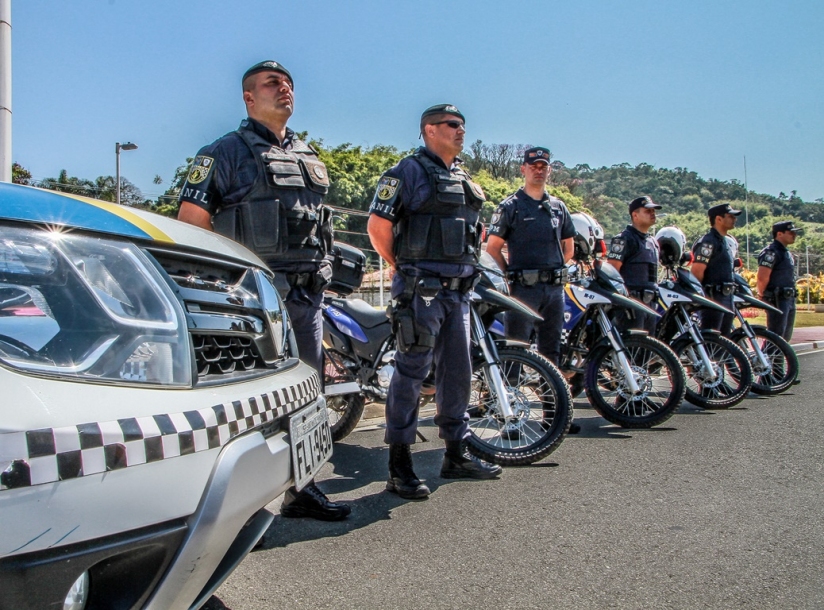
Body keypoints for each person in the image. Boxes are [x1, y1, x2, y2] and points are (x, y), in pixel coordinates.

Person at [177, 61, 350, 522]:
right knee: (251, 401)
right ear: (249, 98)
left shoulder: (306, 154)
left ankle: (301, 489)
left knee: (307, 394)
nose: (284, 88)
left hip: (307, 296)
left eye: (288, 82)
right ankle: (235, 505)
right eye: (272, 83)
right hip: (256, 299)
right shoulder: (224, 152)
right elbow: (192, 223)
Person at [367, 103, 502, 500]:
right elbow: (377, 227)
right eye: (453, 125)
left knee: (457, 374)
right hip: (420, 291)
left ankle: (456, 454)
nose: (462, 131)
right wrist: (402, 266)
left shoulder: (463, 176)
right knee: (411, 373)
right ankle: (399, 463)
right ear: (429, 129)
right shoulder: (406, 172)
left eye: (463, 125)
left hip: (459, 294)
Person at [485, 147, 576, 366]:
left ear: (549, 171)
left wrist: (553, 270)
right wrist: (510, 275)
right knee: (516, 348)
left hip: (554, 291)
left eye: (543, 167)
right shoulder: (511, 206)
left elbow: (569, 249)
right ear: (523, 169)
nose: (538, 171)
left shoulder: (558, 207)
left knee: (551, 351)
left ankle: (551, 400)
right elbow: (493, 249)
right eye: (533, 167)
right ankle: (511, 397)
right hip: (523, 290)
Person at [606, 196, 662, 334]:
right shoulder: (624, 239)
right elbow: (612, 272)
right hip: (631, 305)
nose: (653, 213)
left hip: (650, 304)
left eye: (653, 210)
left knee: (646, 350)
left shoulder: (652, 242)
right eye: (648, 211)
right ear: (635, 215)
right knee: (631, 348)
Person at [690, 202, 742, 334]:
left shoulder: (723, 241)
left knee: (723, 341)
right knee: (711, 339)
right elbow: (697, 272)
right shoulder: (708, 242)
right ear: (718, 219)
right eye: (730, 216)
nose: (734, 219)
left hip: (726, 296)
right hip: (713, 297)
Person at [757, 220, 803, 341]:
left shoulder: (786, 252)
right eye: (790, 232)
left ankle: (775, 360)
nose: (794, 235)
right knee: (776, 336)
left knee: (784, 338)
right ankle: (767, 359)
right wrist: (762, 295)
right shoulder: (771, 252)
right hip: (777, 298)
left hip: (788, 298)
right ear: (779, 234)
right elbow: (762, 277)